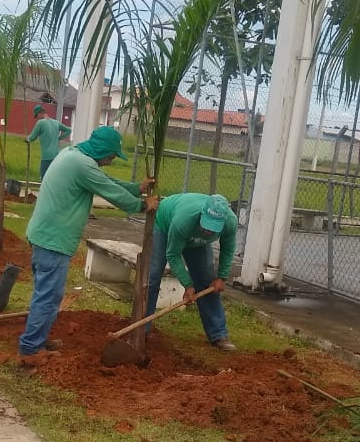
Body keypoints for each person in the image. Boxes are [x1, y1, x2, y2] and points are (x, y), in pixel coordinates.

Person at [18, 126, 157, 357]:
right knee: (48, 296)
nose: (111, 161)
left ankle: (37, 339)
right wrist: (142, 205)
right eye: (111, 156)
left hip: (44, 235)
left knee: (46, 294)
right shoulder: (82, 165)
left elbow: (105, 180)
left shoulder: (73, 155)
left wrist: (136, 188)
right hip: (53, 241)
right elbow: (110, 191)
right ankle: (31, 349)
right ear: (102, 150)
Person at [146, 192, 239, 351]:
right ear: (202, 214)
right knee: (153, 277)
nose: (208, 232)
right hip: (165, 224)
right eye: (206, 226)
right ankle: (142, 328)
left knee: (206, 281)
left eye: (213, 229)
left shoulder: (230, 222)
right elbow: (173, 255)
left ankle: (218, 334)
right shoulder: (183, 220)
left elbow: (228, 249)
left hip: (194, 238)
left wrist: (222, 277)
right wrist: (188, 285)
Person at [25, 101, 71, 180]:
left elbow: (33, 137)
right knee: (53, 179)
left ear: (40, 113)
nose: (37, 118)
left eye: (37, 116)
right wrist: (59, 138)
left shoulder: (40, 123)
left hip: (46, 157)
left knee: (44, 179)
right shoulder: (56, 122)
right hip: (56, 156)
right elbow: (68, 130)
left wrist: (27, 139)